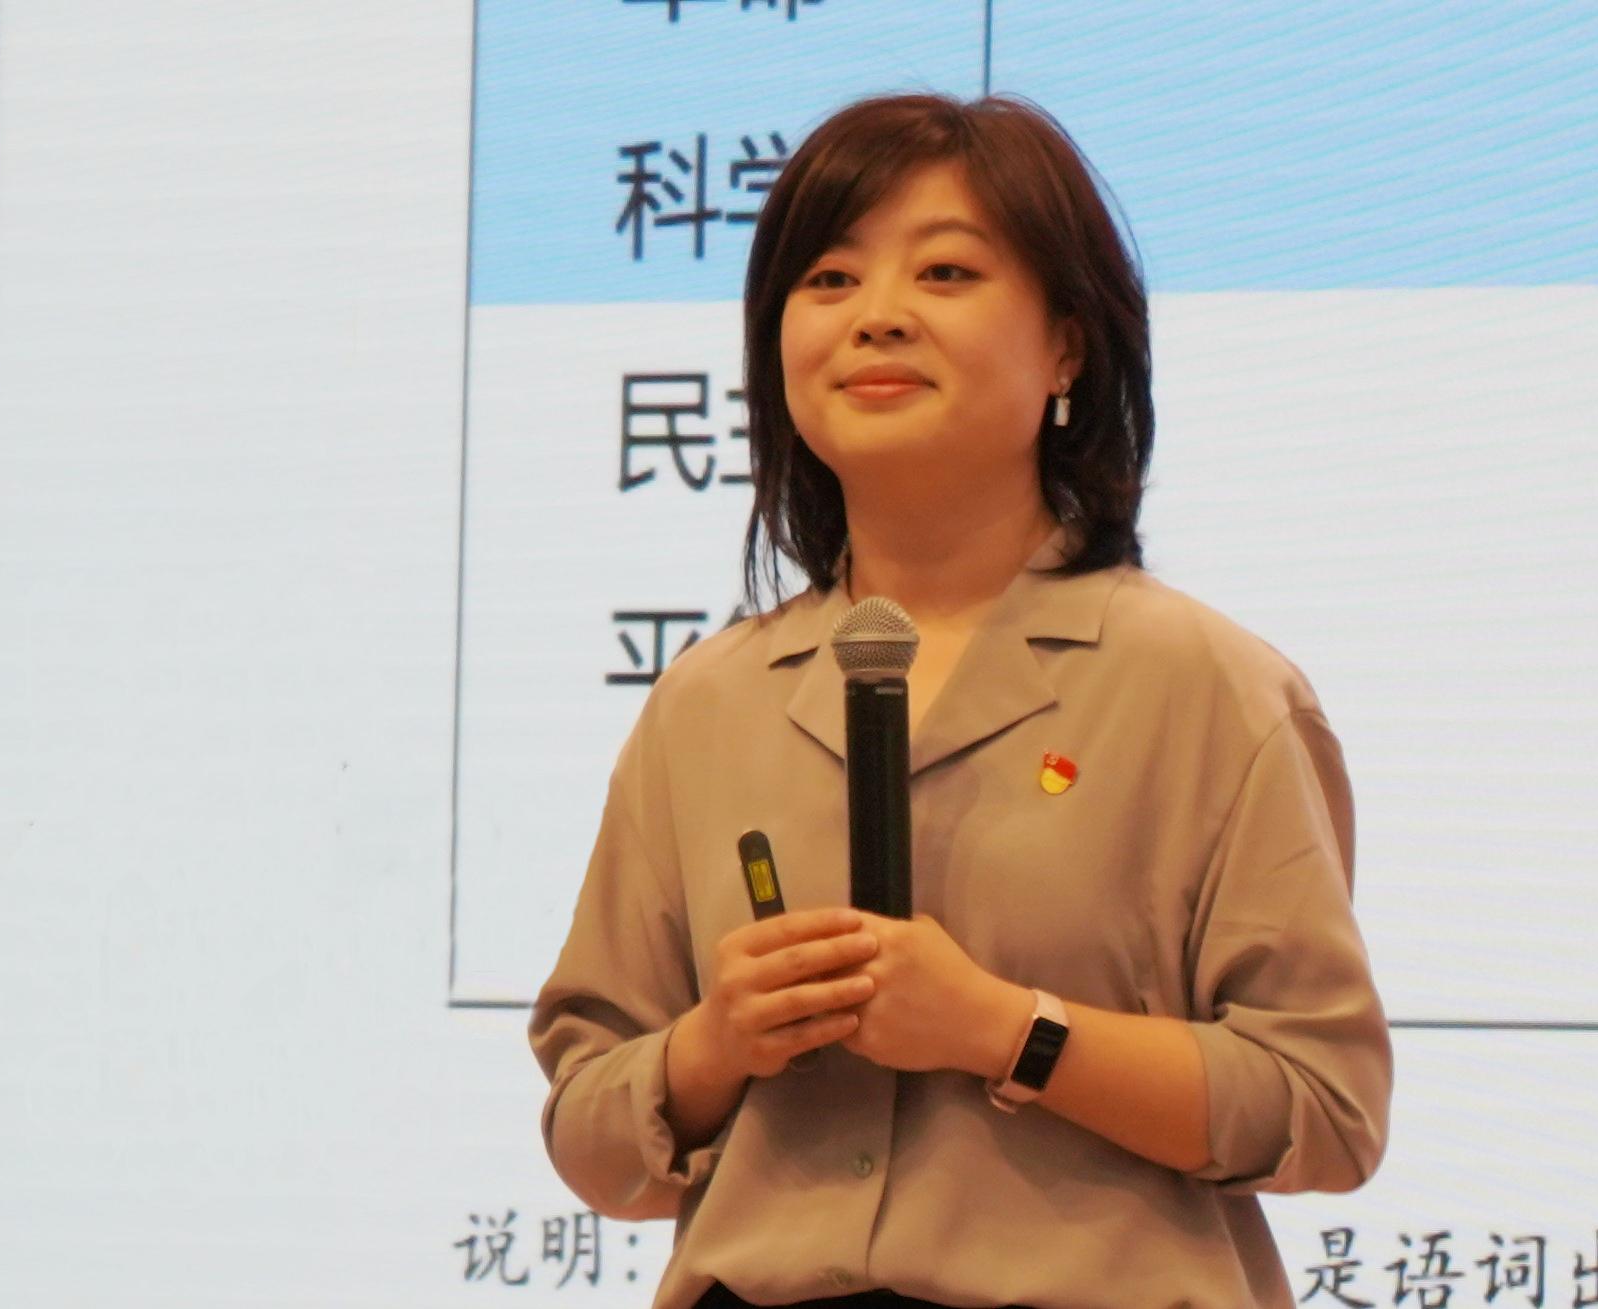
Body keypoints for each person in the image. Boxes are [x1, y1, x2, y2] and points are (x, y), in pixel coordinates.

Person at [529, 92, 1392, 1309]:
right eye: (829, 280)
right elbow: (590, 1134)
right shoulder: (705, 706)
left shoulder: (1207, 687)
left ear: (1067, 347)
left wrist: (1006, 1028)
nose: (877, 315)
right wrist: (714, 1044)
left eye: (944, 272)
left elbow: (1326, 1109)